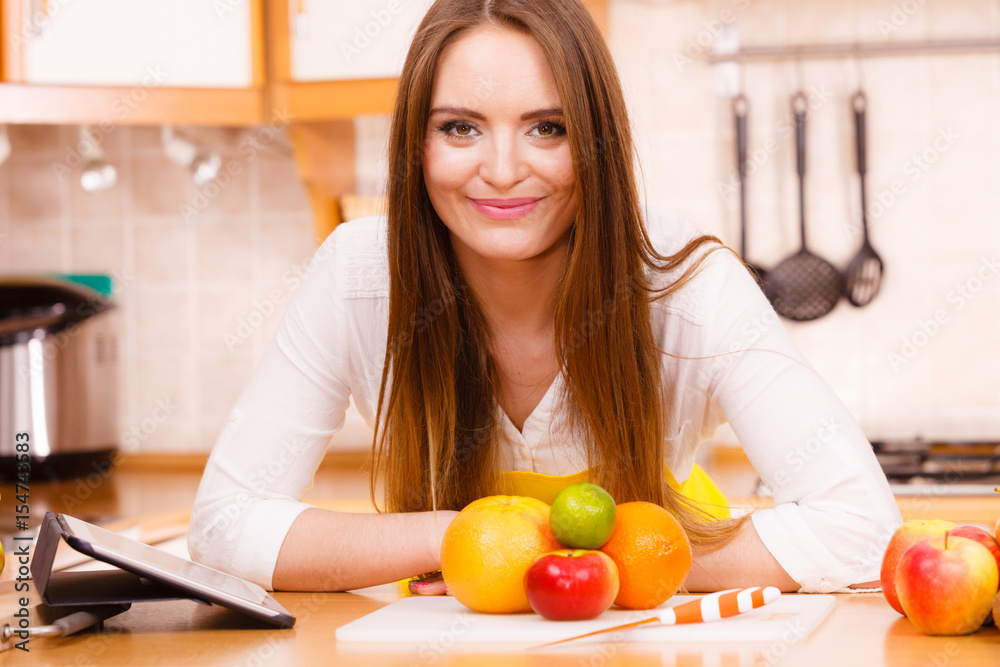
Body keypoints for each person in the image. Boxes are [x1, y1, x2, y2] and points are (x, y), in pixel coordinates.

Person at [188, 0, 901, 595]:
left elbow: (863, 528)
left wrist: (579, 566)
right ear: (417, 143)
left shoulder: (684, 283)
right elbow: (223, 528)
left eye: (547, 128)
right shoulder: (357, 278)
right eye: (459, 127)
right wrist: (463, 537)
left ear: (597, 142)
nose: (501, 170)